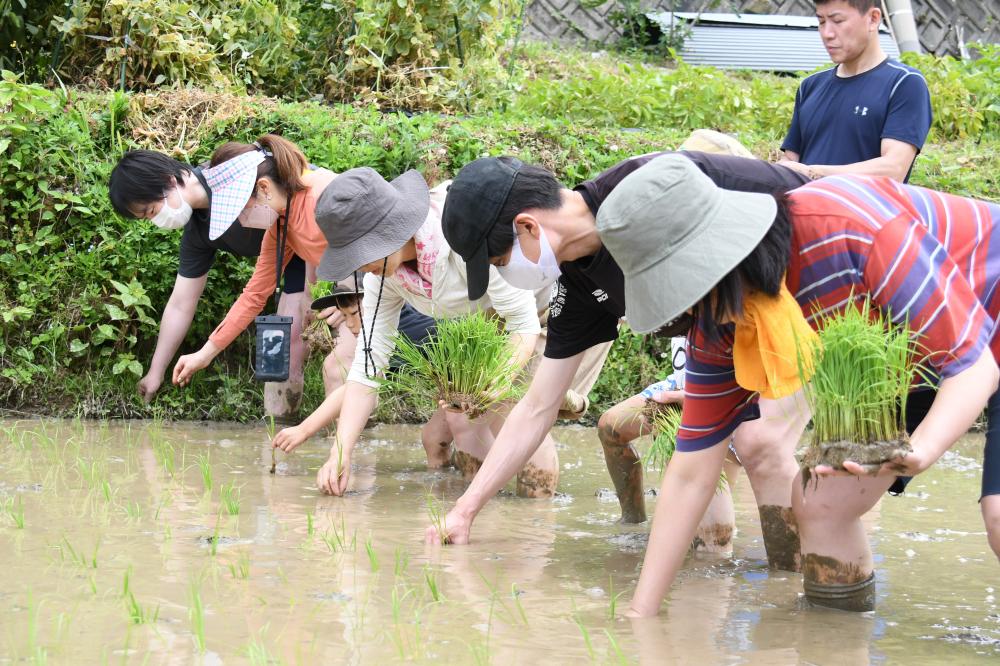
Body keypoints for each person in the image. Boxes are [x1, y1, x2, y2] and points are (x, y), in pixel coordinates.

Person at [594, 154, 999, 616]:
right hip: (899, 353)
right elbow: (691, 473)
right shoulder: (720, 318)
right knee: (820, 505)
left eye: (687, 288)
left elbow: (975, 367)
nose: (691, 313)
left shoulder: (848, 227)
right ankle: (834, 644)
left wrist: (921, 450)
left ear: (723, 252)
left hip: (980, 323)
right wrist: (640, 612)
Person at [432, 150, 811, 567]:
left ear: (527, 226)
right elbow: (538, 406)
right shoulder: (576, 282)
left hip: (814, 293)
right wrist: (464, 511)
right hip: (727, 347)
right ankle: (760, 581)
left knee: (758, 440)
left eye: (500, 261)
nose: (506, 275)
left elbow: (797, 202)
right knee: (684, 453)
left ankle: (792, 591)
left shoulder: (654, 185)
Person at [270, 167, 557, 497]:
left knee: (522, 420)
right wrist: (341, 452)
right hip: (488, 317)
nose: (360, 268)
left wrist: (495, 383)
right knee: (465, 424)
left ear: (388, 230)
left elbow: (523, 324)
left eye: (361, 253)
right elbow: (367, 371)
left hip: (545, 305)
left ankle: (537, 528)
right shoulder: (384, 277)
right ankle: (484, 521)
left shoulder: (461, 235)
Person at [108, 150, 309, 420]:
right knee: (278, 345)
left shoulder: (234, 177)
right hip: (277, 265)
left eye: (151, 211)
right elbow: (181, 304)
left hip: (314, 241)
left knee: (292, 336)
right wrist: (156, 372)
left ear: (169, 181)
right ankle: (279, 433)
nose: (156, 221)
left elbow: (303, 206)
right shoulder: (198, 230)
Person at [779, 0, 932, 184]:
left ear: (873, 19)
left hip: (862, 211)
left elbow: (893, 170)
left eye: (838, 21)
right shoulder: (810, 86)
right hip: (802, 209)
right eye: (821, 22)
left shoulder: (904, 83)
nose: (827, 33)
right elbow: (790, 161)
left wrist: (812, 172)